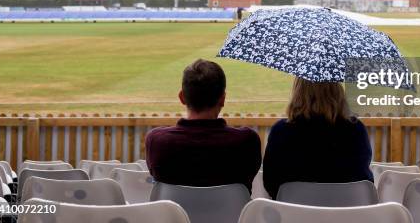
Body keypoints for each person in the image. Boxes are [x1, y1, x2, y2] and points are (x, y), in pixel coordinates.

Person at [146, 59, 262, 191]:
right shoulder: (247, 142)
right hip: (230, 212)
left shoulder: (157, 141)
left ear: (182, 97)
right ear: (223, 99)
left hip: (175, 212)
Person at [263, 77, 373, 199]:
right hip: (348, 215)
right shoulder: (356, 129)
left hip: (293, 214)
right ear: (337, 90)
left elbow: (271, 184)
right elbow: (365, 181)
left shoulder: (281, 131)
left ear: (298, 92)